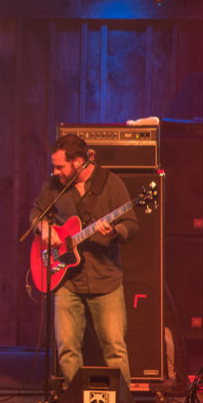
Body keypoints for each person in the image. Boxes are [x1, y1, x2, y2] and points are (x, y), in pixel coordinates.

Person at [30, 133, 137, 389]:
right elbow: (36, 213)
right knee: (67, 348)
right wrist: (45, 228)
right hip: (66, 280)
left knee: (115, 348)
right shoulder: (54, 186)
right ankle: (76, 401)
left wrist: (114, 231)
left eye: (60, 167)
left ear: (78, 162)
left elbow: (131, 224)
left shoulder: (111, 184)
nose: (55, 172)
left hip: (105, 279)